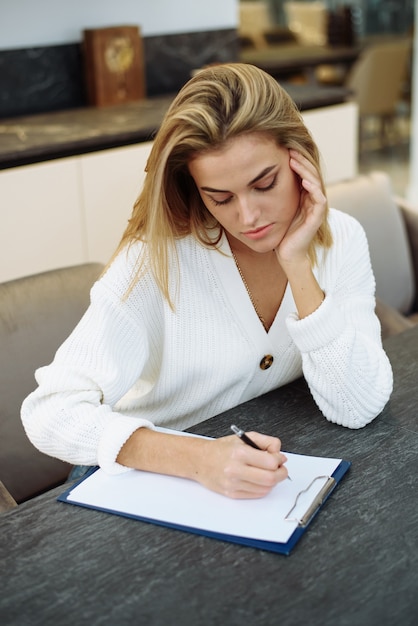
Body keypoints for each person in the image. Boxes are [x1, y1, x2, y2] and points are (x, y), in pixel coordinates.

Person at [21, 63, 393, 500]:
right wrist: (197, 459)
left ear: (300, 160)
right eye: (221, 198)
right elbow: (50, 411)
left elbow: (358, 406)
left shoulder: (341, 238)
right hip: (135, 484)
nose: (248, 217)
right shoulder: (154, 259)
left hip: (242, 481)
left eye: (265, 184)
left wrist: (297, 265)